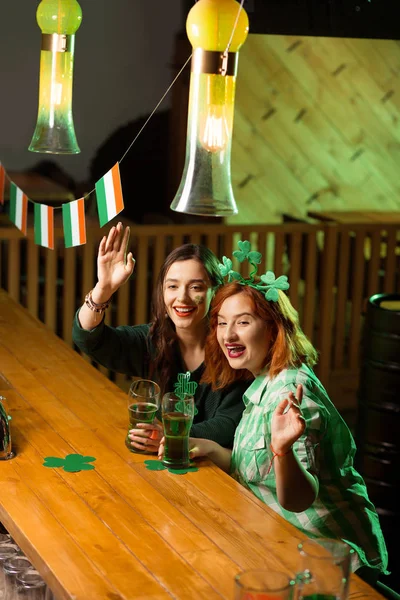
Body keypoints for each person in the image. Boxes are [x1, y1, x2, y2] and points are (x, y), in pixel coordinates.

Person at [165, 244, 389, 582]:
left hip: (338, 564)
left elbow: (299, 498)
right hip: (281, 546)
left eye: (243, 322)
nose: (228, 334)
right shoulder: (259, 385)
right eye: (222, 323)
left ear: (273, 328)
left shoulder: (293, 393)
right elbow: (257, 471)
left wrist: (283, 451)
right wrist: (211, 449)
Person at [72, 222, 251, 452]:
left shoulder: (234, 347)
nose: (182, 298)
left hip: (217, 472)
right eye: (172, 287)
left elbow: (227, 425)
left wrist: (167, 434)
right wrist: (103, 288)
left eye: (196, 287)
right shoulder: (154, 340)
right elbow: (88, 338)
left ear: (215, 291)